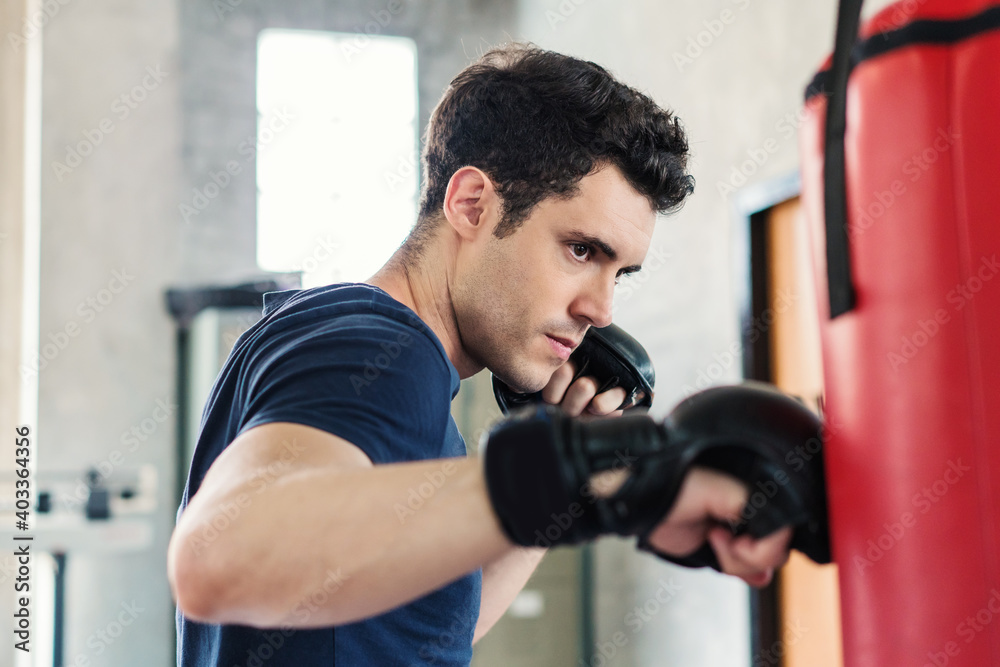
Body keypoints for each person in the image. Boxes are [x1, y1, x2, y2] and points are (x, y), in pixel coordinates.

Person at [167, 43, 793, 666]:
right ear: (471, 204)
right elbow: (214, 560)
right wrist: (572, 465)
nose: (601, 311)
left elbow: (427, 633)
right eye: (581, 250)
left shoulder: (367, 349)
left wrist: (573, 492)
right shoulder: (380, 350)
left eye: (619, 273)